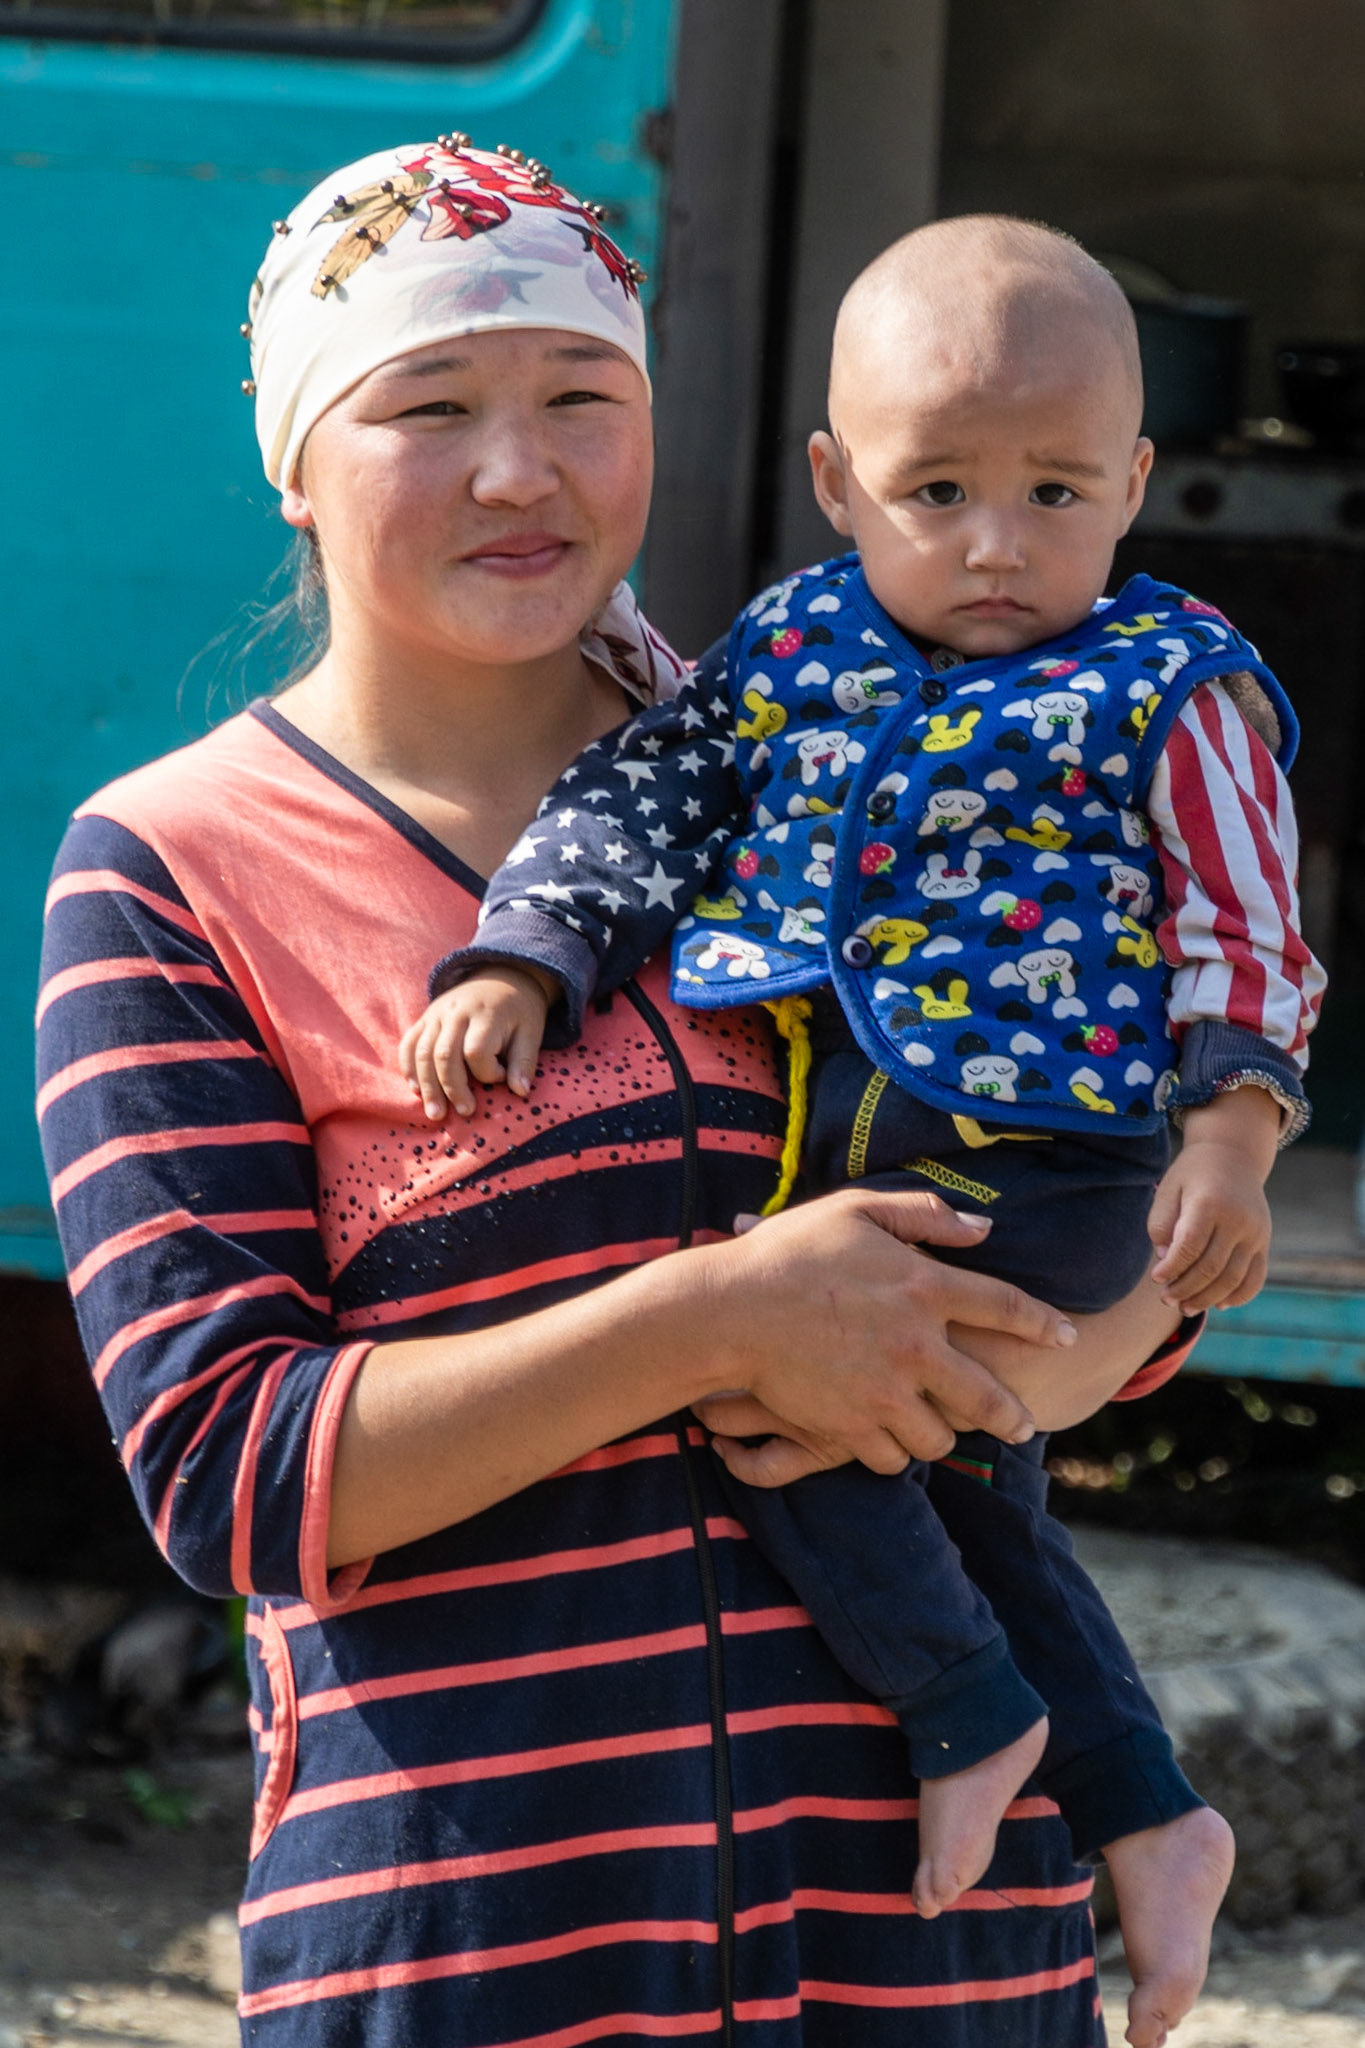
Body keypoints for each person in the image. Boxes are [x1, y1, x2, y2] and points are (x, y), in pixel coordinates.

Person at [40, 148, 1208, 2048]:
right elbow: (227, 1475)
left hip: (932, 1929)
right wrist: (717, 1318)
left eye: (583, 398)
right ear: (294, 458)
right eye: (429, 407)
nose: (523, 471)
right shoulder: (173, 872)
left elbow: (1102, 1172)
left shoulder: (834, 757)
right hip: (483, 1952)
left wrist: (1094, 1338)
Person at [404, 216, 1323, 2040]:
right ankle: (1142, 1805)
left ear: (1138, 482)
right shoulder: (782, 649)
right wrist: (529, 951)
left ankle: (975, 1719)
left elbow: (1246, 925)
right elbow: (642, 795)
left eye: (1059, 492)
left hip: (1059, 1165)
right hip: (856, 1153)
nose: (998, 545)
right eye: (938, 489)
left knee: (782, 1412)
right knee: (967, 1486)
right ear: (837, 482)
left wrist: (1229, 1144)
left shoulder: (1165, 682)